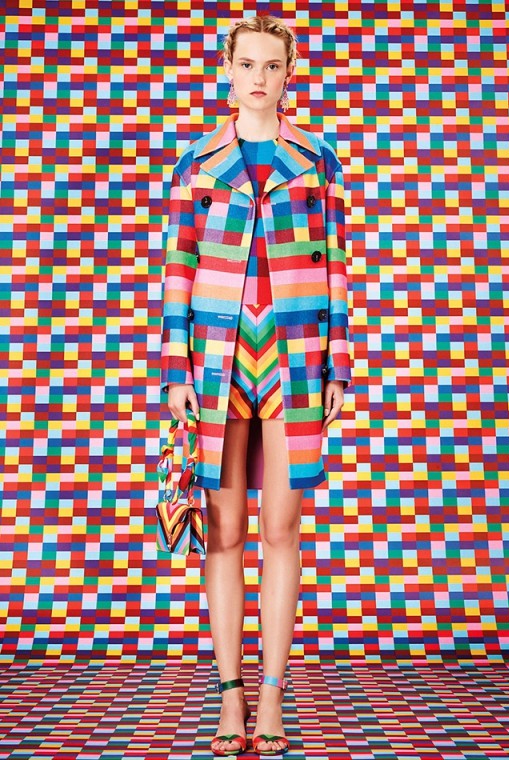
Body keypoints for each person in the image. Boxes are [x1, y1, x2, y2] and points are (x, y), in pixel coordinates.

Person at [161, 14, 351, 756]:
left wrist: (339, 361)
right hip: (216, 357)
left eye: (273, 66)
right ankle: (230, 697)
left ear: (289, 73)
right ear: (228, 70)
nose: (260, 79)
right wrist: (175, 368)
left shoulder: (319, 159)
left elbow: (336, 266)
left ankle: (272, 695)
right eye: (248, 65)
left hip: (296, 356)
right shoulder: (196, 163)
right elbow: (178, 268)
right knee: (225, 532)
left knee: (282, 529)